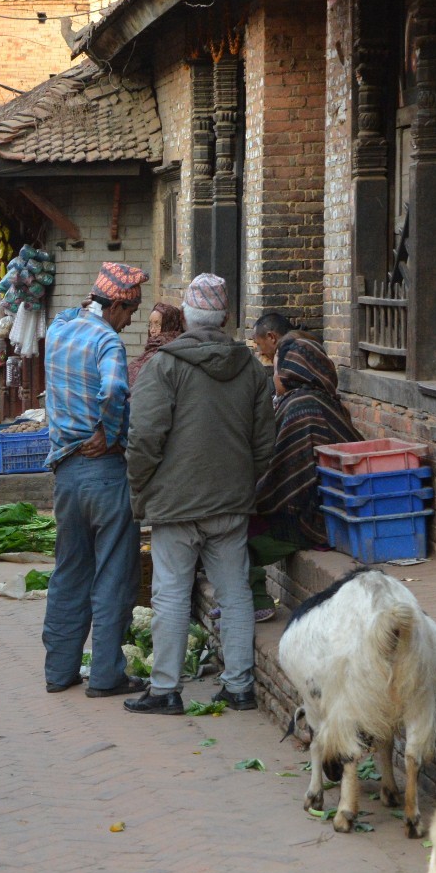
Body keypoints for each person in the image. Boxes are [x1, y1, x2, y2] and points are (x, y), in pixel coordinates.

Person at [123, 273, 276, 716]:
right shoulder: (249, 367)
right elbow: (265, 443)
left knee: (170, 594)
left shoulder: (165, 365)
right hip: (230, 503)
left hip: (175, 504)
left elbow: (145, 437)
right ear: (225, 317)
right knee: (234, 592)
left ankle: (166, 689)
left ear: (188, 316)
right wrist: (244, 482)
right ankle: (240, 685)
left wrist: (141, 487)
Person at [40, 262, 146, 696]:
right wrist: (111, 432)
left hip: (66, 473)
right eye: (131, 312)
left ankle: (59, 671)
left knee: (69, 572)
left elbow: (70, 312)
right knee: (113, 576)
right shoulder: (107, 341)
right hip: (104, 472)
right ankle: (105, 676)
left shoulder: (60, 330)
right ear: (117, 304)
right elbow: (114, 390)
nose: (131, 321)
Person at [250, 336, 364, 616]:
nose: (273, 375)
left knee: (233, 536)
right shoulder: (326, 402)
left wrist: (249, 499)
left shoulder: (300, 408)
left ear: (291, 373)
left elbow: (281, 474)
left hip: (310, 519)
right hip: (328, 509)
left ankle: (256, 603)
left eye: (276, 369)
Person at [128, 301, 185, 390]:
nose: (152, 330)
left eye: (157, 324)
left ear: (169, 325)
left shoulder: (169, 350)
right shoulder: (152, 348)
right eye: (150, 324)